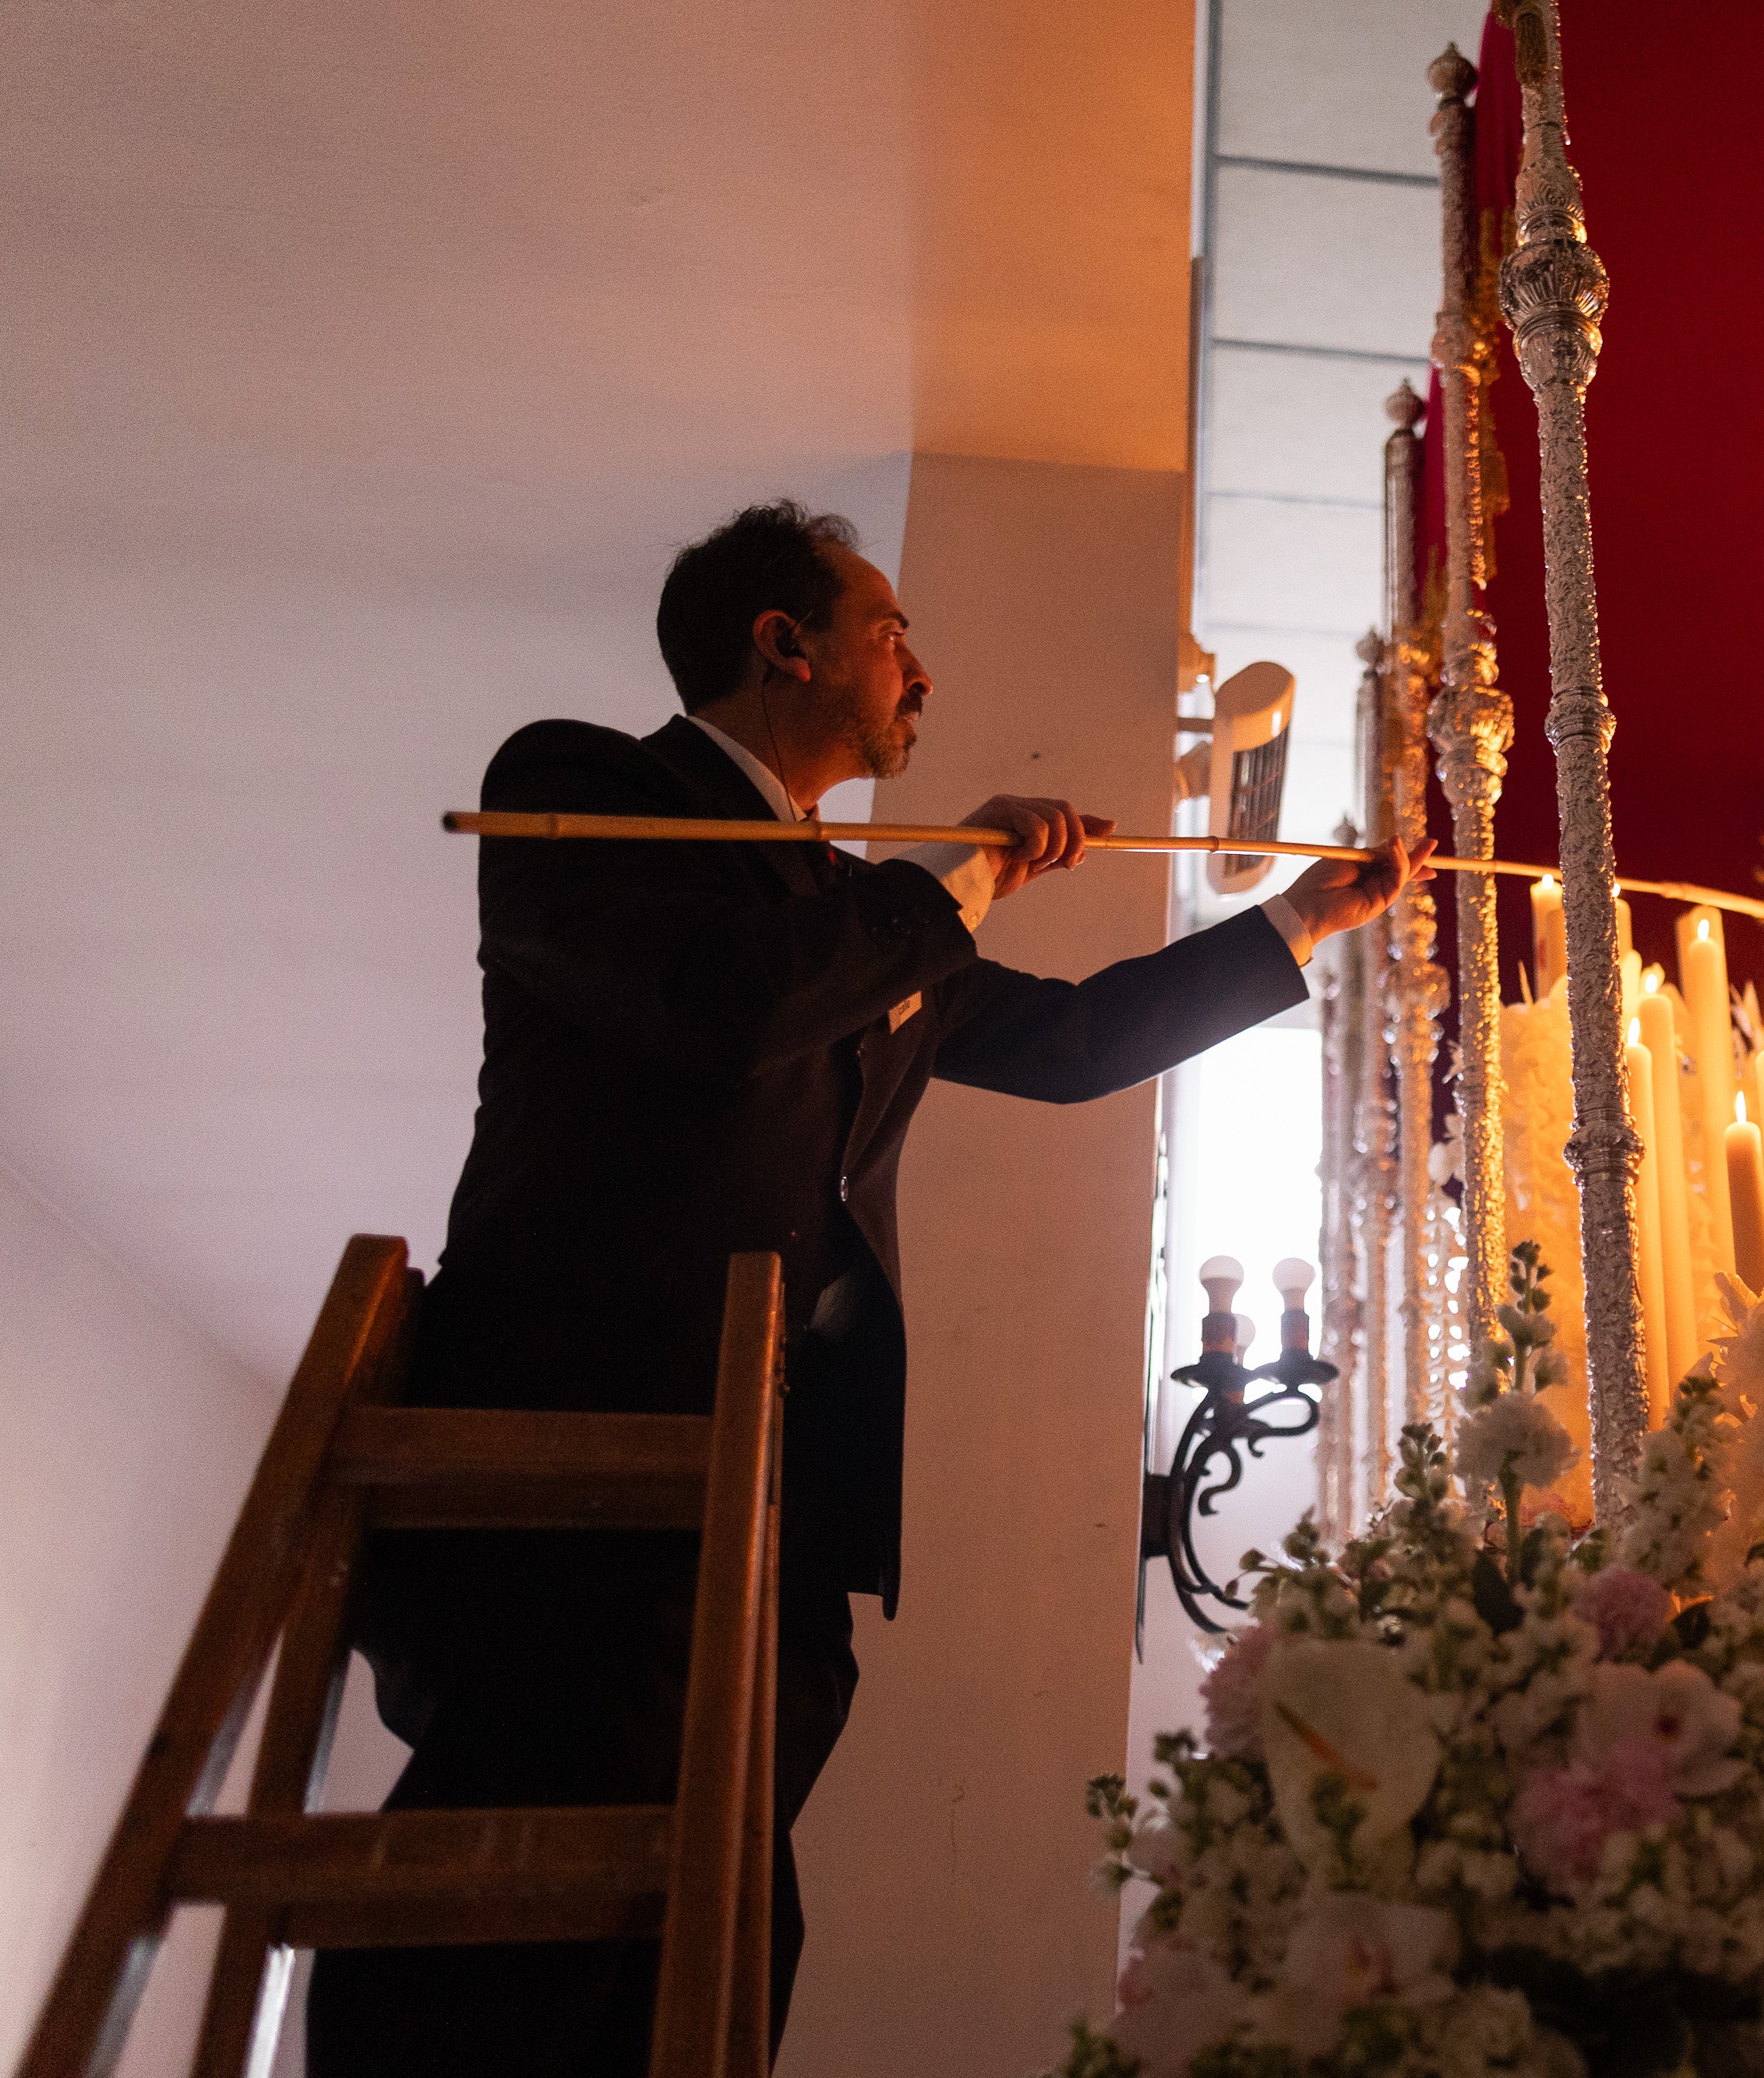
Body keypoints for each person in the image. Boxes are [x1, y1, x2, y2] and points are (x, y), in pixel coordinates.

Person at [309, 501, 1422, 2075]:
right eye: (893, 631)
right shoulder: (585, 789)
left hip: (774, 1511)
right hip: (571, 1469)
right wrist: (954, 870)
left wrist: (1300, 920)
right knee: (510, 1908)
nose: (924, 673)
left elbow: (1073, 1042)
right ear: (786, 643)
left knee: (720, 1945)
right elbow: (724, 1005)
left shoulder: (853, 915)